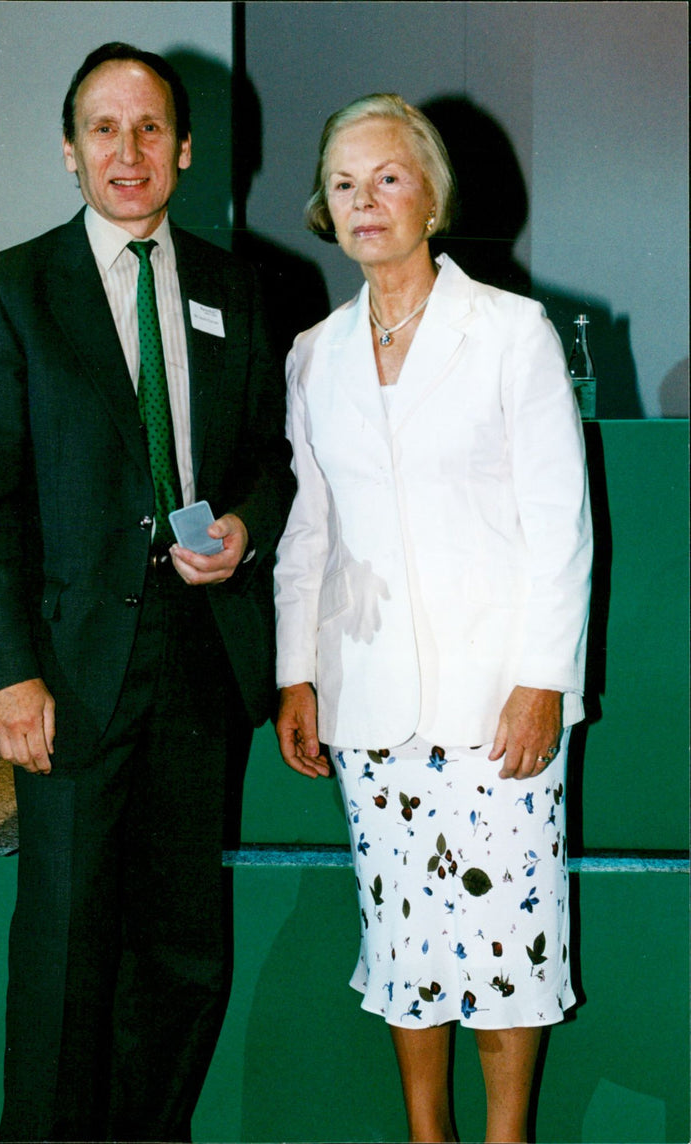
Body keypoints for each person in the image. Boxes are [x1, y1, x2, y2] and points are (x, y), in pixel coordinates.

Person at [0, 42, 294, 1144]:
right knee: (64, 947)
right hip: (70, 667)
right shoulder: (8, 290)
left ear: (184, 151)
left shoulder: (240, 287)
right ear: (68, 150)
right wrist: (5, 670)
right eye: (103, 127)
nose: (126, 150)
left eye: (149, 129)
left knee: (182, 951)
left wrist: (245, 524)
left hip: (199, 654)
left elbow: (276, 463)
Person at [274, 94, 592, 1144]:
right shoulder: (313, 355)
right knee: (404, 938)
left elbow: (560, 526)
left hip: (497, 701)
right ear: (324, 208)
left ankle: (503, 1137)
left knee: (506, 938)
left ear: (430, 194)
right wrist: (295, 672)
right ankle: (427, 1134)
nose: (365, 202)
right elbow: (309, 531)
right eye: (343, 184)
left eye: (387, 178)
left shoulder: (510, 333)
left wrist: (544, 677)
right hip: (367, 702)